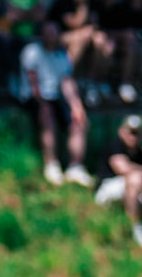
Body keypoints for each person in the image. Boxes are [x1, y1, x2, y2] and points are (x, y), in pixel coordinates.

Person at [22, 22, 93, 187]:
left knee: (79, 121)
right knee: (47, 117)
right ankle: (51, 164)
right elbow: (32, 83)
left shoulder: (62, 56)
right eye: (48, 33)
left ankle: (75, 166)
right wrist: (41, 102)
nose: (51, 37)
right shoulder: (32, 52)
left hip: (56, 97)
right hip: (34, 98)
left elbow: (67, 82)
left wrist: (76, 105)